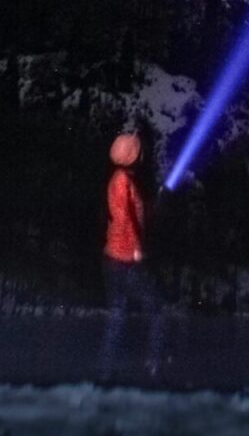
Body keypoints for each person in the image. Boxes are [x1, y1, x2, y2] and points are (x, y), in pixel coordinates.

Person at [98, 129, 165, 382]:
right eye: (138, 151)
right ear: (132, 156)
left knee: (118, 315)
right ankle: (153, 368)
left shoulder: (122, 181)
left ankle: (107, 372)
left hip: (114, 259)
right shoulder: (122, 182)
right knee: (156, 311)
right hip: (124, 261)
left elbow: (133, 216)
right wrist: (136, 250)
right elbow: (124, 219)